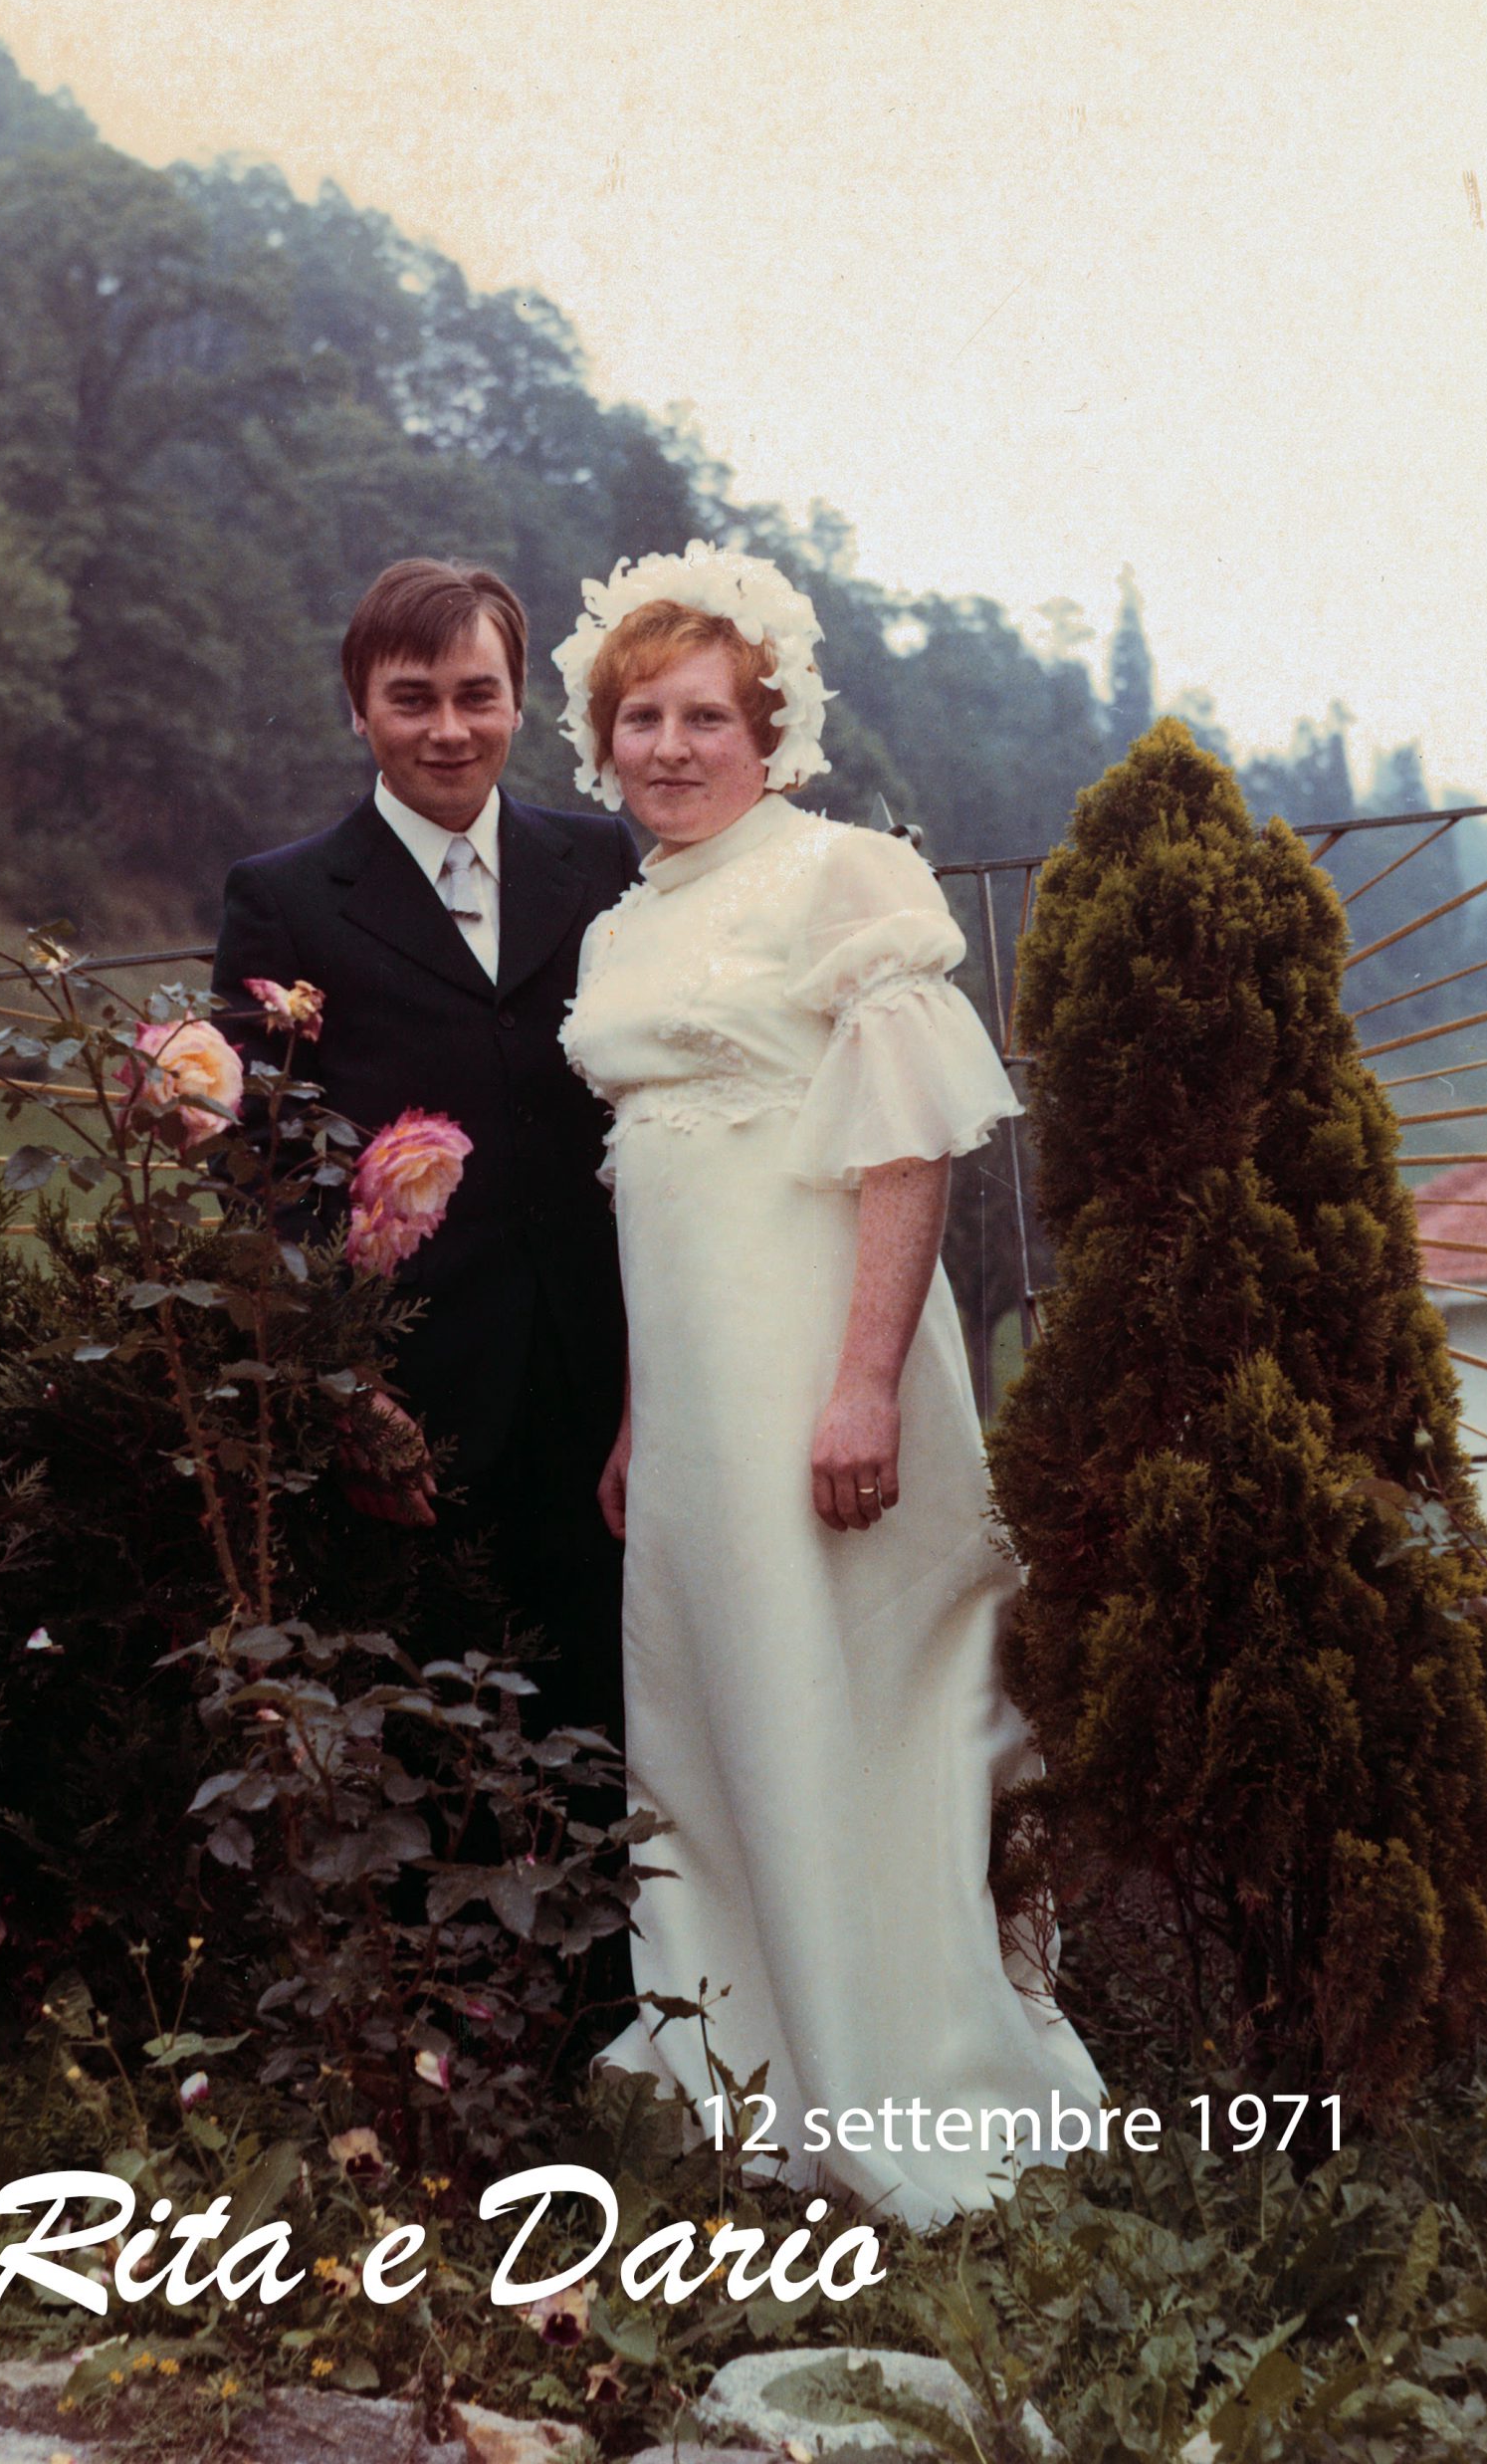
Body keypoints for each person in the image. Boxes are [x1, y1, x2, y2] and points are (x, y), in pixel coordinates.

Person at [554, 543, 1103, 2226]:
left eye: (702, 716)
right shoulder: (623, 923)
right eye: (639, 717)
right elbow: (644, 1180)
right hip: (691, 1395)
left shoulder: (840, 875)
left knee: (839, 1701)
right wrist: (640, 1415)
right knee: (711, 1708)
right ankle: (745, 2080)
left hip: (814, 1362)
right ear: (602, 736)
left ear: (768, 728)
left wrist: (862, 1384)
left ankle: (892, 2076)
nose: (667, 747)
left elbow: (905, 1151)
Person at [211, 559, 639, 1747]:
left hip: (605, 1390)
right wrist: (348, 1385)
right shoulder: (286, 899)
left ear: (517, 701)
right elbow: (256, 1168)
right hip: (414, 1410)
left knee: (611, 1734)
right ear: (359, 708)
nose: (448, 729)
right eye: (412, 698)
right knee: (433, 1744)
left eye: (476, 694)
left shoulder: (602, 863)